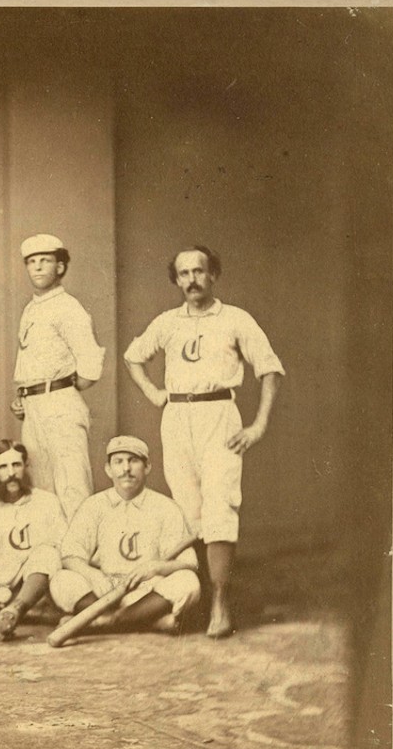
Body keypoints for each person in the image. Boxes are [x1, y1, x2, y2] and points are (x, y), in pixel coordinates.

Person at [122, 245, 285, 638]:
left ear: (213, 275)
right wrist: (153, 393)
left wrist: (258, 425)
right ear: (176, 280)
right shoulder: (167, 322)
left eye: (199, 271)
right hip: (177, 418)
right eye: (184, 273)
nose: (192, 279)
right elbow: (134, 355)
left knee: (219, 507)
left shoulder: (235, 319)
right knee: (186, 513)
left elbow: (270, 368)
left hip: (218, 417)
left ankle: (220, 603)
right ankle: (195, 601)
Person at [49, 436, 200, 636]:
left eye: (133, 460)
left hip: (145, 592)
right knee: (61, 580)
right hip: (103, 589)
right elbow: (70, 556)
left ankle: (101, 624)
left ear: (147, 467)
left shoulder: (165, 507)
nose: (126, 469)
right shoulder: (94, 505)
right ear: (108, 469)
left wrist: (156, 567)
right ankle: (146, 623)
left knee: (188, 582)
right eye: (118, 462)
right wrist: (92, 575)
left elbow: (189, 563)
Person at [11, 234, 106, 519]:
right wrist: (24, 397)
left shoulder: (68, 307)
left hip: (60, 404)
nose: (38, 267)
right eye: (31, 262)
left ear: (60, 267)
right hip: (34, 408)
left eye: (46, 261)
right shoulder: (31, 308)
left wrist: (62, 389)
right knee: (41, 490)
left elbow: (90, 365)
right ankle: (53, 559)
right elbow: (32, 363)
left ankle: (79, 558)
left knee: (72, 487)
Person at [0, 440, 68, 641]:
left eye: (16, 465)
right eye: (3, 467)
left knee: (47, 553)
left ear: (26, 467)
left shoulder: (47, 503)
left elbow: (63, 547)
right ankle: (16, 612)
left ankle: (18, 610)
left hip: (41, 586)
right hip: (3, 592)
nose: (11, 473)